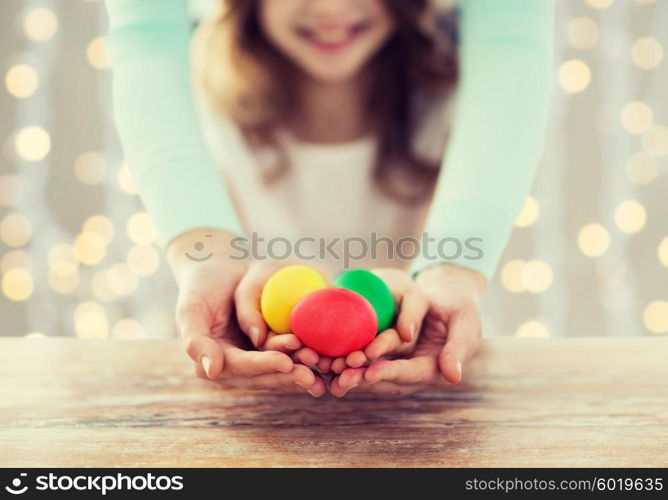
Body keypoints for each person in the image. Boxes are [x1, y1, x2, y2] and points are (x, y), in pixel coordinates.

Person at [104, 0, 554, 397]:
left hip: (428, 400)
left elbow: (511, 31)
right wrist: (207, 261)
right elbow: (145, 34)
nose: (328, 8)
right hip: (246, 403)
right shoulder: (206, 117)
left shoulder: (453, 110)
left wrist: (450, 276)